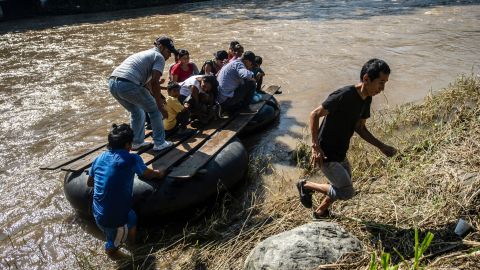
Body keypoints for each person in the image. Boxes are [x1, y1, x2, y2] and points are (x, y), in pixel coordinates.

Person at [297, 58, 398, 219]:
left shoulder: (367, 99)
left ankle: (320, 212)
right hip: (326, 153)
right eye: (380, 82)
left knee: (340, 186)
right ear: (366, 79)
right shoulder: (344, 95)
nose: (382, 88)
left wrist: (382, 146)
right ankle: (305, 185)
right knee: (346, 191)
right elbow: (314, 114)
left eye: (385, 83)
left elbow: (360, 127)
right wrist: (315, 145)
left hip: (341, 151)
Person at [87, 124, 165, 258]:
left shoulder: (99, 158)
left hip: (97, 211)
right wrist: (160, 173)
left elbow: (90, 183)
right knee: (113, 244)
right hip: (113, 220)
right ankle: (119, 254)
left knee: (132, 217)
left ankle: (132, 244)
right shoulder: (132, 159)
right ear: (128, 145)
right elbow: (147, 174)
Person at [109, 36, 176, 151]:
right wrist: (160, 106)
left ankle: (136, 142)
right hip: (129, 84)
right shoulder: (158, 56)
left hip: (113, 84)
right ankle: (159, 143)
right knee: (155, 111)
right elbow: (155, 82)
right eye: (168, 51)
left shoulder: (145, 54)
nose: (169, 56)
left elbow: (148, 84)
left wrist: (153, 96)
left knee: (137, 111)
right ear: (160, 47)